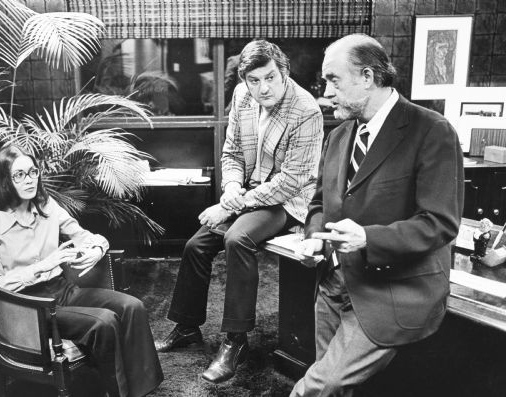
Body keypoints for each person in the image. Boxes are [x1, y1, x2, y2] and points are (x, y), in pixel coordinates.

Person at [290, 34, 464, 396]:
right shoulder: (337, 136)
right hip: (334, 284)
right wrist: (313, 240)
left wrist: (369, 238)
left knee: (318, 387)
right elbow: (320, 205)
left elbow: (440, 222)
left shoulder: (432, 131)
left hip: (392, 291)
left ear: (367, 77)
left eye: (333, 80)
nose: (326, 93)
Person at [155, 39, 324, 383]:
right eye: (254, 80)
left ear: (284, 73)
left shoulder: (306, 110)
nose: (263, 88)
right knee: (195, 246)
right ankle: (187, 326)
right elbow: (231, 154)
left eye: (270, 78)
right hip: (246, 191)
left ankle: (235, 340)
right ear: (245, 80)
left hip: (287, 200)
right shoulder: (241, 97)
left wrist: (230, 205)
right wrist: (232, 189)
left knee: (237, 238)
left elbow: (290, 182)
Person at [0, 145, 163, 397]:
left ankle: (141, 390)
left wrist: (97, 249)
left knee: (132, 306)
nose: (29, 180)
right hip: (28, 308)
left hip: (62, 290)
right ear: (4, 180)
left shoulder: (47, 207)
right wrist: (44, 265)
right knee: (103, 322)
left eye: (32, 172)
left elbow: (84, 236)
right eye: (19, 175)